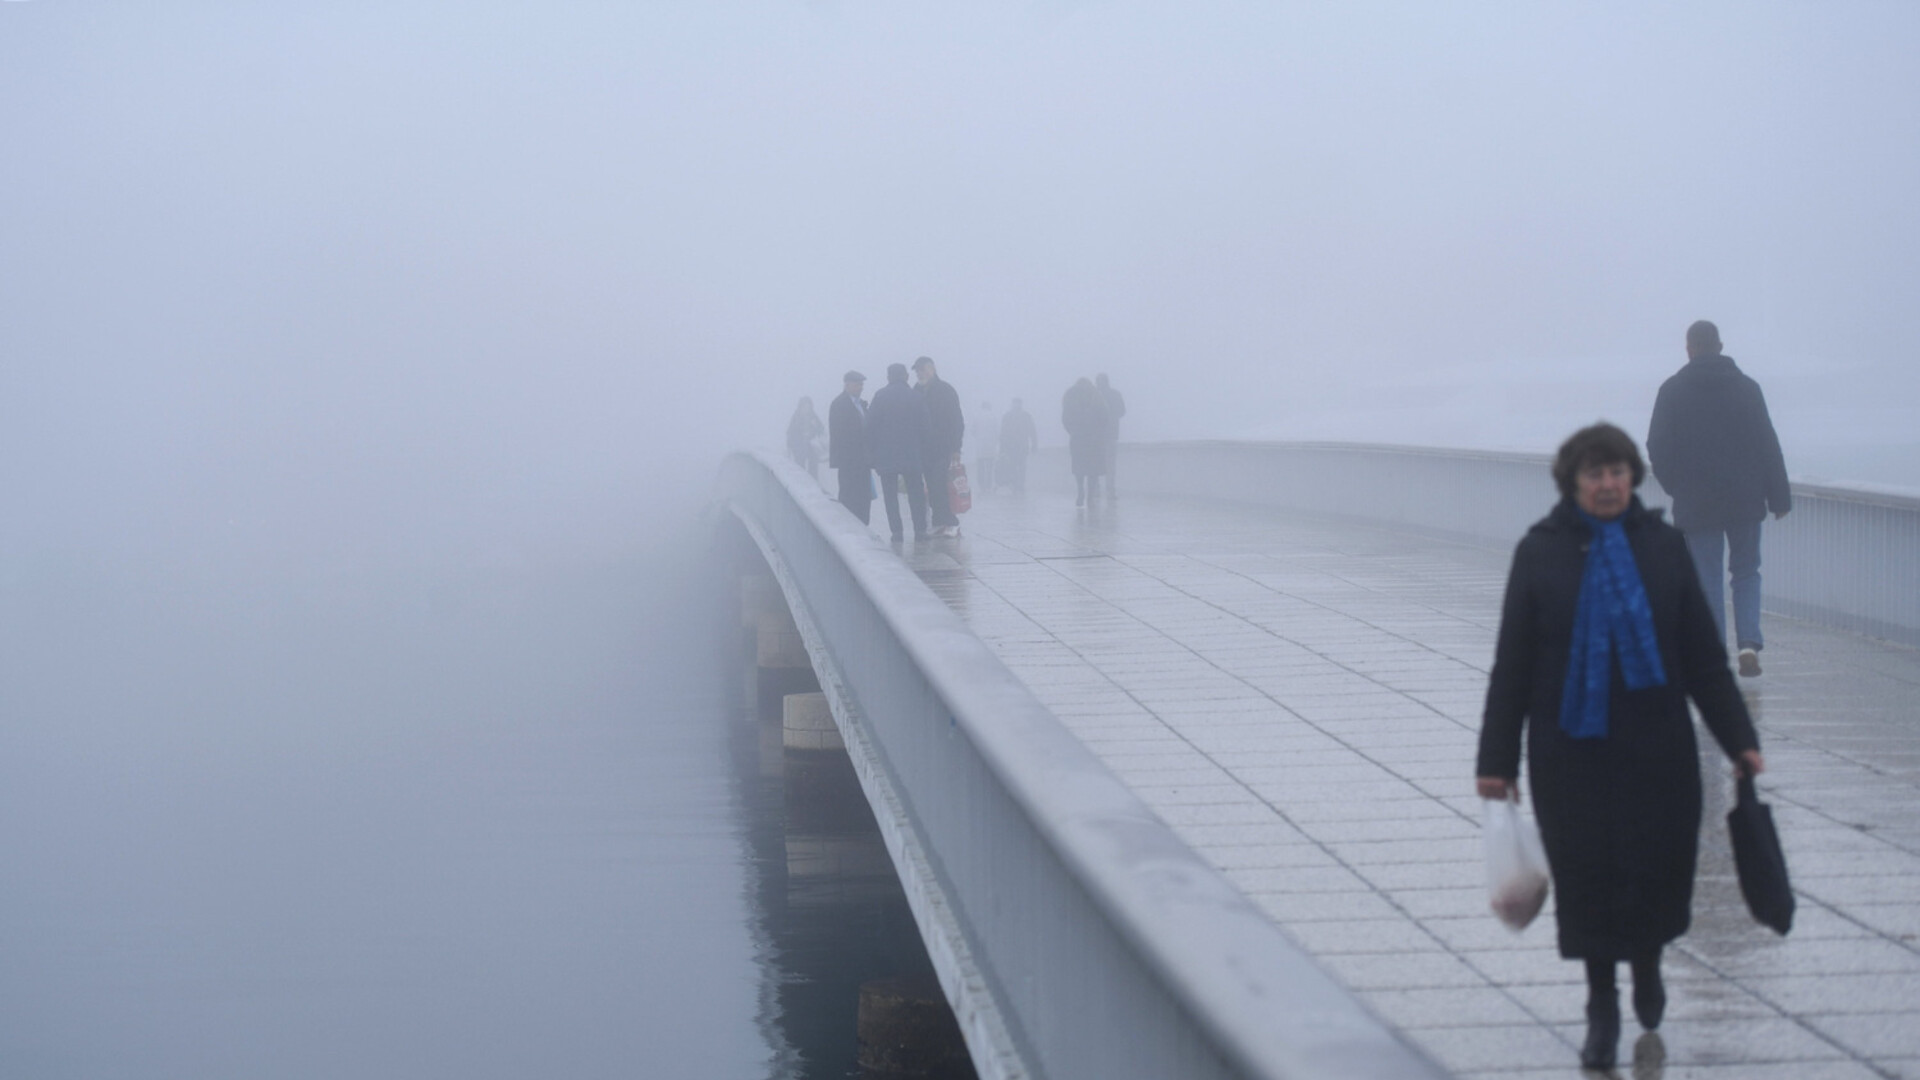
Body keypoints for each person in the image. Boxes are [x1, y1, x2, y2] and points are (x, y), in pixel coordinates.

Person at [1476, 423, 1764, 1071]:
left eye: (1617, 473)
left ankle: (1649, 966)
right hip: (1570, 754)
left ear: (1632, 478)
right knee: (1588, 879)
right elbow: (1512, 666)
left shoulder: (1662, 547)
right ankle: (1601, 1006)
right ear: (1572, 483)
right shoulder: (1540, 553)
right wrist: (1495, 764)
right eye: (1594, 475)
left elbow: (1701, 659)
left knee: (1654, 869)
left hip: (1656, 750)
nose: (1607, 486)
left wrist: (1740, 742)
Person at [1646, 320, 1792, 677]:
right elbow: (1767, 443)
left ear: (1689, 348)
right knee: (1745, 571)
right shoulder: (1747, 388)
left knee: (1706, 576)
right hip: (1745, 499)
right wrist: (1779, 496)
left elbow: (1657, 447)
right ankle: (1748, 644)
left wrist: (1675, 485)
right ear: (1720, 346)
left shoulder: (1672, 391)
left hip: (1697, 503)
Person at [865, 362, 930, 541]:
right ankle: (920, 530)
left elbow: (869, 427)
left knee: (890, 495)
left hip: (886, 455)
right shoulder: (916, 397)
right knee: (915, 492)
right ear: (906, 377)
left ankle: (897, 531)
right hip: (912, 454)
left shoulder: (880, 396)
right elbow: (926, 427)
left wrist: (873, 454)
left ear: (888, 377)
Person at [912, 356, 965, 538]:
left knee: (942, 484)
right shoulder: (916, 391)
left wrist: (957, 447)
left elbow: (957, 420)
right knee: (932, 487)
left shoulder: (945, 390)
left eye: (923, 369)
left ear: (932, 369)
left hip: (943, 447)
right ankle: (939, 521)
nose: (920, 373)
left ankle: (951, 522)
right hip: (924, 449)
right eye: (917, 371)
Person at [828, 370, 872, 525]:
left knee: (864, 495)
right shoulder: (839, 404)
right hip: (849, 460)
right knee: (849, 495)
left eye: (861, 385)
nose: (860, 388)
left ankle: (864, 525)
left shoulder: (861, 404)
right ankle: (850, 526)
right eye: (857, 384)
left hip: (864, 459)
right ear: (847, 385)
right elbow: (839, 433)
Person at [1061, 377, 1109, 507]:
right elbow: (1105, 417)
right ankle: (1090, 494)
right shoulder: (1097, 397)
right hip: (1094, 439)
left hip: (1078, 438)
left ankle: (1081, 491)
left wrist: (1073, 431)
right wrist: (1099, 432)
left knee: (1079, 467)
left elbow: (1065, 418)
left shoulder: (1070, 396)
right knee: (1093, 469)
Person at [998, 398, 1038, 495]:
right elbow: (1032, 431)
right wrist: (1034, 444)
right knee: (1019, 466)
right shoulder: (1025, 416)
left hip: (1015, 446)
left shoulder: (1008, 416)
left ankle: (1017, 484)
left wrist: (1002, 448)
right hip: (1019, 446)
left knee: (1015, 465)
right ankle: (1019, 484)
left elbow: (1003, 433)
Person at [1095, 373, 1125, 498]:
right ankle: (1110, 489)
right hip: (1111, 433)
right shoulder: (1115, 394)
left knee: (1096, 462)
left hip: (1097, 435)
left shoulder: (1094, 395)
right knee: (1110, 463)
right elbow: (1122, 411)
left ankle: (1096, 488)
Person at [786, 397, 824, 479]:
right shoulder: (796, 417)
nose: (807, 409)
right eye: (804, 406)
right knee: (800, 465)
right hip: (798, 446)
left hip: (811, 445)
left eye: (808, 406)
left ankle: (814, 481)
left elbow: (821, 428)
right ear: (800, 407)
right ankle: (801, 481)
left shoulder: (813, 416)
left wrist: (816, 427)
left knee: (813, 462)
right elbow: (790, 432)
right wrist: (791, 445)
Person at [972, 401, 999, 496]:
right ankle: (988, 485)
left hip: (980, 446)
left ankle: (982, 485)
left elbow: (973, 431)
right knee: (990, 467)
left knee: (981, 467)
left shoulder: (977, 416)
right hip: (991, 446)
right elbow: (997, 431)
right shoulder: (993, 417)